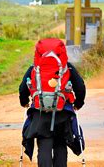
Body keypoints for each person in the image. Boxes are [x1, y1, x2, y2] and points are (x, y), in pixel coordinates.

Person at [19, 38, 86, 167]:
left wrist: (24, 102)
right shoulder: (67, 68)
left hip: (40, 114)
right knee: (60, 144)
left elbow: (23, 87)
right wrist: (78, 103)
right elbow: (80, 86)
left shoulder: (34, 68)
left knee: (44, 143)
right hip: (63, 113)